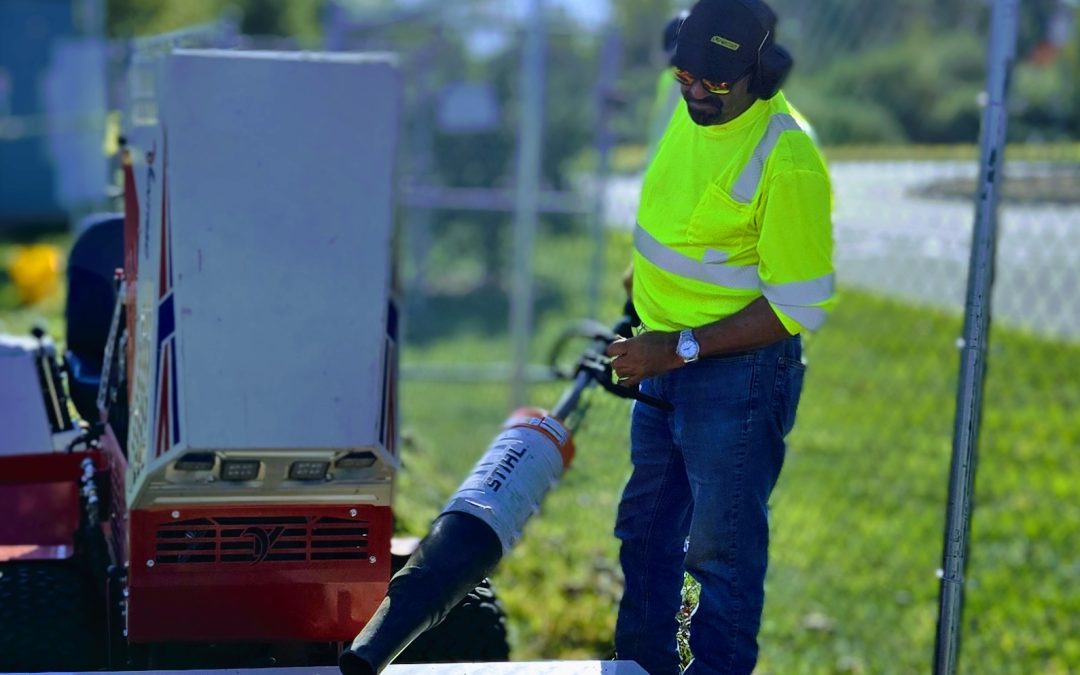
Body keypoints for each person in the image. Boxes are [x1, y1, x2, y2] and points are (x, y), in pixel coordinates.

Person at [605, 0, 835, 673]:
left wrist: (674, 348)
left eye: (713, 82)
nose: (696, 92)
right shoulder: (690, 102)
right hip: (662, 357)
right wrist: (645, 298)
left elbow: (796, 306)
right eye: (685, 77)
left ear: (757, 75)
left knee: (720, 555)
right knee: (644, 533)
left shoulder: (787, 156)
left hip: (736, 375)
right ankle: (642, 664)